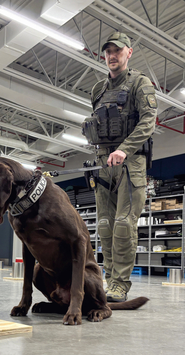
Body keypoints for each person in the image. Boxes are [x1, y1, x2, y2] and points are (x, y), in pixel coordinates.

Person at [82, 32, 157, 302]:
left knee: (124, 225)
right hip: (104, 164)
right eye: (108, 52)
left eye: (117, 51)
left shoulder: (140, 83)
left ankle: (120, 285)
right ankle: (109, 280)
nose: (112, 56)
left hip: (131, 162)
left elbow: (149, 122)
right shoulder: (97, 90)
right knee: (104, 226)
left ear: (129, 52)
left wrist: (124, 149)